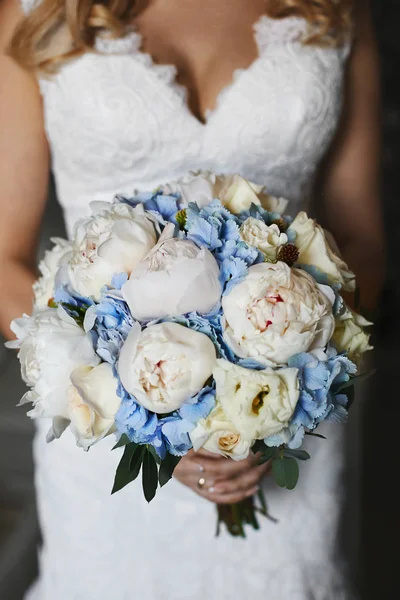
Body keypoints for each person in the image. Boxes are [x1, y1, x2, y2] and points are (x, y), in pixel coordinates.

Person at [0, 0, 384, 598]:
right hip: (104, 433)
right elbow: (4, 257)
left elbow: (362, 239)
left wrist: (279, 402)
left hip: (284, 420)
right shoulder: (42, 10)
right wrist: (145, 414)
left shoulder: (333, 11)